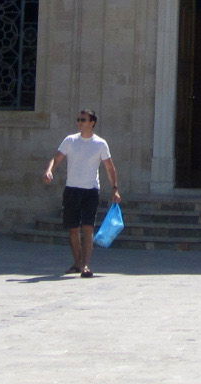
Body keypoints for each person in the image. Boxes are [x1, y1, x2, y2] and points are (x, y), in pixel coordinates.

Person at [43, 109, 121, 277]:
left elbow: (109, 167)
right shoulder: (70, 140)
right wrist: (49, 170)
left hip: (91, 190)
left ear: (92, 122)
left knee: (87, 228)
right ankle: (77, 262)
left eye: (83, 120)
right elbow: (56, 158)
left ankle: (85, 265)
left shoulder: (100, 144)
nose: (79, 122)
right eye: (78, 119)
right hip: (72, 189)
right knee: (73, 229)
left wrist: (115, 188)